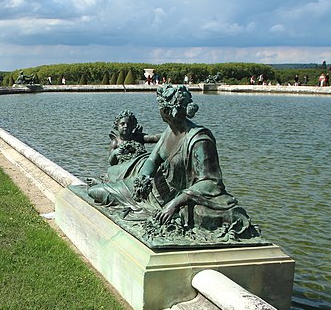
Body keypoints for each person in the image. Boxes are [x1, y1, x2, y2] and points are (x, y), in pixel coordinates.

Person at [87, 84, 258, 239]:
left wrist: (174, 204)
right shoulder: (170, 131)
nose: (159, 110)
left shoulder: (199, 140)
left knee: (98, 192)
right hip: (152, 190)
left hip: (172, 199)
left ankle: (119, 187)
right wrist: (143, 178)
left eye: (161, 107)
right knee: (97, 190)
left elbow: (211, 182)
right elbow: (153, 160)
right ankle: (117, 183)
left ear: (169, 112)